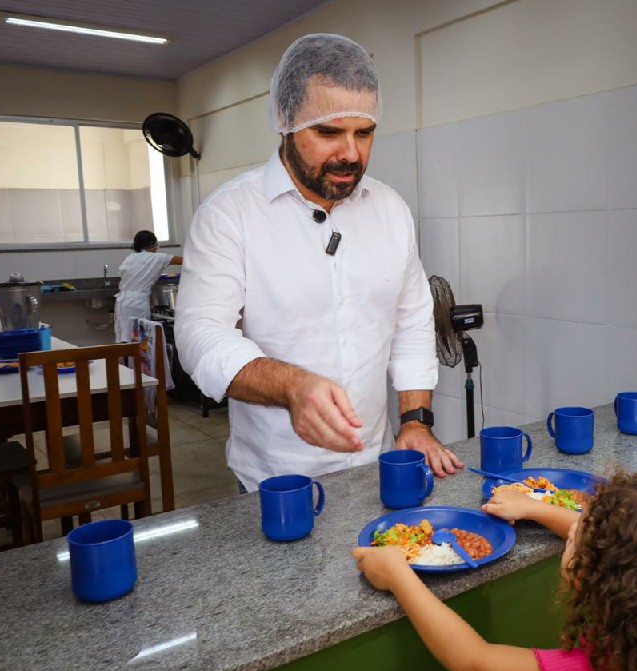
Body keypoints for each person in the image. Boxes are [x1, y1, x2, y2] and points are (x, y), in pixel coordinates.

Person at [174, 33, 461, 492]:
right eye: (328, 132)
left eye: (364, 133)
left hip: (373, 464)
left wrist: (415, 420)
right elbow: (199, 334)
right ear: (285, 122)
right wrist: (290, 386)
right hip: (275, 480)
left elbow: (412, 321)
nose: (351, 153)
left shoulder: (390, 210)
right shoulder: (230, 214)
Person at [352, 471, 637, 671]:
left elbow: (476, 662)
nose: (571, 531)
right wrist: (532, 507)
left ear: (606, 580)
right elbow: (612, 545)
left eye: (575, 538)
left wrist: (398, 576)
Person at [113, 230, 182, 343]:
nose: (157, 249)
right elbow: (183, 260)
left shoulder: (130, 258)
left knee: (125, 341)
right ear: (151, 244)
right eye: (156, 245)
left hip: (123, 304)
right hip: (137, 304)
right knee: (139, 341)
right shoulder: (155, 258)